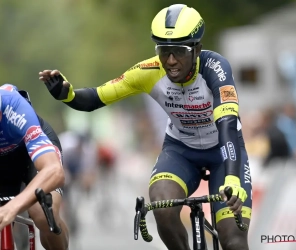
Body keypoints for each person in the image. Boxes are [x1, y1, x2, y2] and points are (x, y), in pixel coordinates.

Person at [39, 4, 252, 250]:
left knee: (233, 239)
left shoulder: (216, 68)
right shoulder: (148, 71)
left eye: (179, 51)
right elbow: (96, 98)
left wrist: (233, 179)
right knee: (161, 204)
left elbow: (227, 124)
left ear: (197, 49)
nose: (170, 60)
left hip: (224, 152)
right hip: (181, 151)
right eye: (163, 50)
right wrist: (68, 94)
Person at [0, 84, 69, 250]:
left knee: (43, 214)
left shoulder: (13, 105)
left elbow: (54, 171)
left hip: (29, 155)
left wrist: (13, 207)